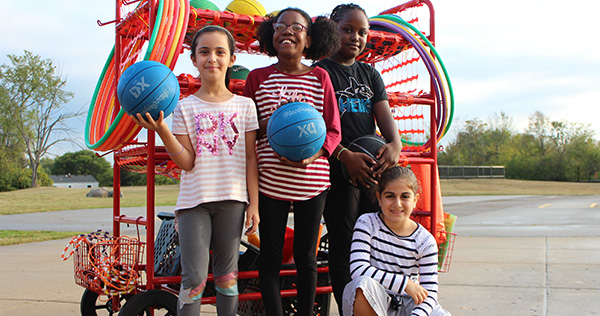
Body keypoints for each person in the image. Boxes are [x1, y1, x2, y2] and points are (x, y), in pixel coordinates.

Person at [130, 25, 259, 316]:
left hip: (233, 200)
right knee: (194, 280)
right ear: (194, 59)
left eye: (219, 52)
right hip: (193, 203)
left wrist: (255, 204)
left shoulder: (246, 106)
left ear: (231, 58)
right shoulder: (184, 107)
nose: (212, 58)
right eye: (204, 52)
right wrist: (163, 130)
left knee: (227, 277)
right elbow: (187, 162)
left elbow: (251, 158)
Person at [242, 7, 341, 316]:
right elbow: (248, 132)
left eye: (296, 27)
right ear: (271, 36)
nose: (287, 30)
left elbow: (334, 129)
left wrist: (315, 152)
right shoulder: (257, 79)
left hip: (313, 183)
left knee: (306, 258)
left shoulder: (320, 77)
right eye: (280, 26)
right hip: (271, 183)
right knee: (270, 258)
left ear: (309, 39)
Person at [315, 3, 404, 312]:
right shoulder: (320, 71)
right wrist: (344, 156)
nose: (355, 37)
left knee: (377, 242)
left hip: (371, 170)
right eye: (347, 30)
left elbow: (387, 124)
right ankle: (351, 309)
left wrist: (394, 145)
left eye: (362, 32)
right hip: (336, 170)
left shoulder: (369, 73)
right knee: (345, 245)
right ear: (332, 29)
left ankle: (379, 305)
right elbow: (315, 128)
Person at [343, 166, 451, 316]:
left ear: (415, 200)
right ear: (379, 198)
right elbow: (358, 270)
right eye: (390, 196)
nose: (397, 203)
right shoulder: (367, 223)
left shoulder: (425, 241)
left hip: (409, 304)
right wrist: (405, 284)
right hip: (376, 300)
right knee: (363, 284)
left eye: (405, 196)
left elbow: (429, 293)